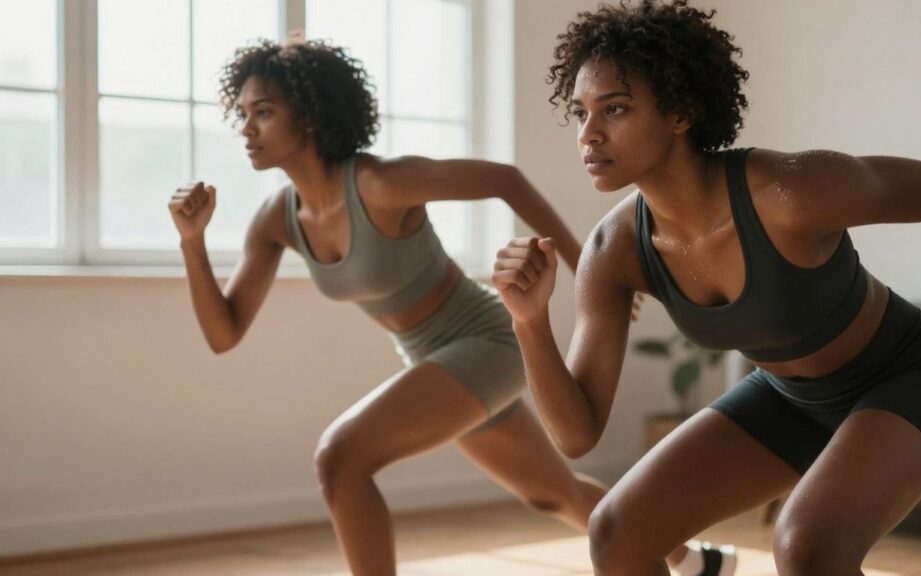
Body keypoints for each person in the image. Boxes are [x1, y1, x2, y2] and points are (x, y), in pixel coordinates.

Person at [492, 2, 921, 575]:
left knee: (805, 546)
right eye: (579, 113)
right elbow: (576, 434)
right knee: (617, 532)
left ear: (682, 111)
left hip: (909, 378)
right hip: (788, 400)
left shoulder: (788, 192)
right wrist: (528, 320)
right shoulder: (613, 250)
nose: (588, 135)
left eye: (614, 109)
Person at [167, 37, 733, 576]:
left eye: (261, 112)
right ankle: (696, 561)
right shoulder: (275, 219)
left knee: (341, 457)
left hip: (484, 342)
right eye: (241, 113)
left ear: (309, 116)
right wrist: (192, 241)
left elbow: (503, 180)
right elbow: (225, 332)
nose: (245, 128)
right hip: (433, 359)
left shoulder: (379, 184)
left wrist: (585, 263)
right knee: (550, 494)